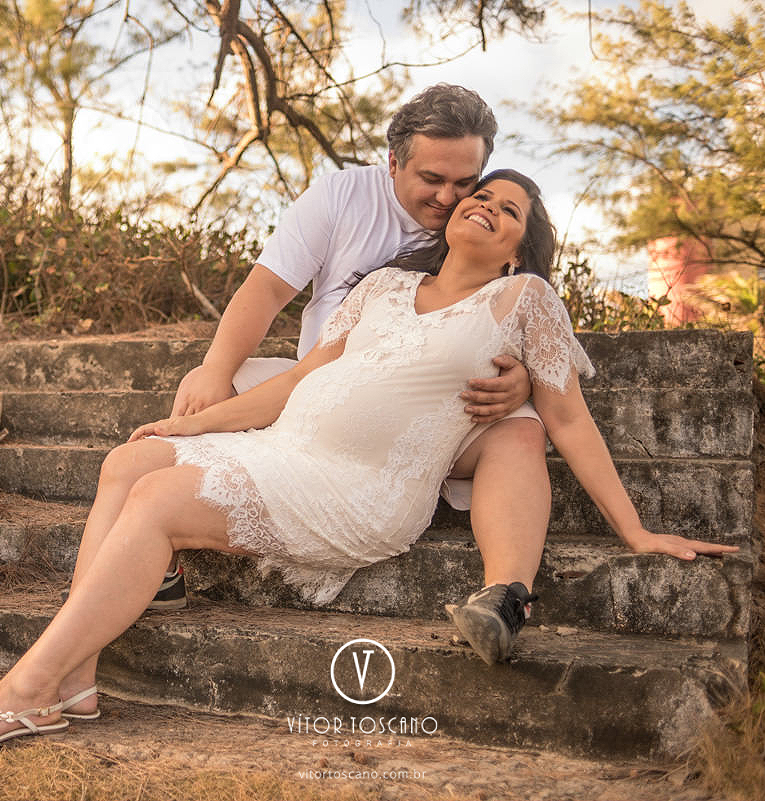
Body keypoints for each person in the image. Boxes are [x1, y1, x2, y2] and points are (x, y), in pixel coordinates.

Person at [0, 170, 738, 755]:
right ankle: (79, 678)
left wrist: (634, 530)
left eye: (509, 209)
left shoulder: (522, 303)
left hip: (363, 489)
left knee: (162, 499)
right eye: (481, 195)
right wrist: (181, 421)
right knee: (129, 462)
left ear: (521, 253)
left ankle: (28, 688)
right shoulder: (381, 286)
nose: (486, 207)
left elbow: (568, 418)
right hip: (290, 447)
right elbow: (297, 382)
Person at [151, 84, 549, 622]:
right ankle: (161, 559)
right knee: (215, 378)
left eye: (465, 182)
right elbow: (267, 289)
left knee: (521, 427)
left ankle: (504, 596)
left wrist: (525, 376)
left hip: (435, 415)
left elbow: (520, 312)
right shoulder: (341, 196)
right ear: (393, 163)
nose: (450, 198)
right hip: (325, 393)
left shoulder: (486, 219)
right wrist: (215, 370)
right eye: (431, 180)